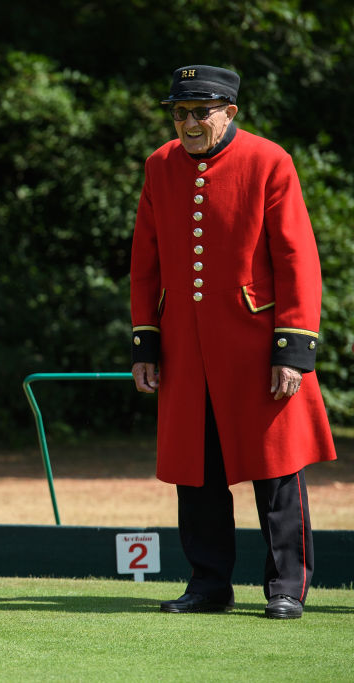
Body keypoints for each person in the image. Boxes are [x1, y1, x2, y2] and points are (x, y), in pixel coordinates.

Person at [130, 65, 337, 620]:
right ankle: (208, 583)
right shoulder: (159, 165)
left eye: (201, 111)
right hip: (184, 347)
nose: (189, 122)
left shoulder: (270, 160)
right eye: (180, 112)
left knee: (276, 468)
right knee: (196, 475)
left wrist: (293, 346)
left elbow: (297, 256)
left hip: (255, 343)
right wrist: (145, 341)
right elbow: (145, 260)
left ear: (230, 112)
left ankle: (286, 586)